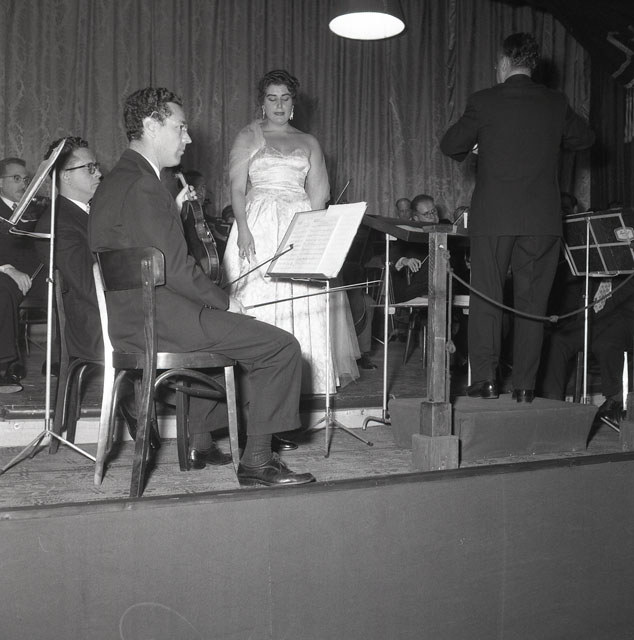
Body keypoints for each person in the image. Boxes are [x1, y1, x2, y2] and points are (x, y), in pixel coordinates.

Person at [88, 86, 314, 487]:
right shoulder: (144, 185)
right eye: (180, 127)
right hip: (162, 322)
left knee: (239, 342)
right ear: (151, 126)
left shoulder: (116, 182)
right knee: (280, 347)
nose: (188, 138)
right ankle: (258, 461)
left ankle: (200, 440)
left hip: (134, 320)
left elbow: (151, 255)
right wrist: (224, 302)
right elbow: (176, 268)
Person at [440, 32, 595, 402]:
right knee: (533, 306)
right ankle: (525, 386)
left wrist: (481, 142)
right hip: (542, 221)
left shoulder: (484, 101)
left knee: (487, 298)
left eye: (497, 63)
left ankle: (486, 381)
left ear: (505, 62)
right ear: (532, 65)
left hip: (494, 217)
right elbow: (586, 139)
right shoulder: (556, 102)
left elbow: (450, 144)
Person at [222, 69, 359, 395]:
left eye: (285, 98)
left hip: (298, 223)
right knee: (258, 296)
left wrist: (315, 238)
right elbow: (237, 189)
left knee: (300, 298)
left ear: (293, 104)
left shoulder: (309, 142)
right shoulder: (248, 136)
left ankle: (302, 383)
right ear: (263, 103)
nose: (279, 105)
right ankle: (252, 386)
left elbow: (318, 197)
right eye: (272, 99)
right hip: (258, 224)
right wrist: (243, 230)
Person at [35, 137, 103, 361]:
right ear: (66, 176)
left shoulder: (91, 213)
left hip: (104, 315)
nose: (99, 174)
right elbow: (89, 288)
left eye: (97, 167)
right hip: (92, 327)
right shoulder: (57, 223)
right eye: (90, 168)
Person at [539, 275, 634, 425]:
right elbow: (573, 292)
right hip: (591, 318)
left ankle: (615, 399)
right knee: (558, 340)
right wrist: (559, 314)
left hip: (623, 318)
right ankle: (553, 403)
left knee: (606, 342)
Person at [0, 157, 46, 392]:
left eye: (26, 179)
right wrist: (8, 268)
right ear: (0, 182)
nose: (23, 184)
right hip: (6, 272)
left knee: (68, 288)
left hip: (39, 271)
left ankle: (60, 359)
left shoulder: (38, 207)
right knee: (2, 292)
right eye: (16, 178)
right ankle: (7, 364)